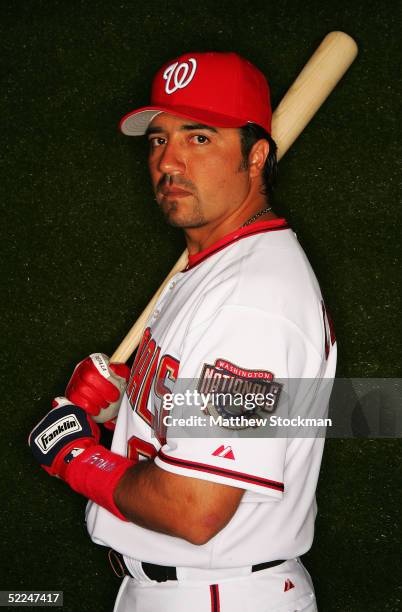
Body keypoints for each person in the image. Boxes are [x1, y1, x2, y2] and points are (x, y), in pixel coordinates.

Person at [29, 52, 337, 611]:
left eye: (198, 139)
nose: (167, 162)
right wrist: (123, 404)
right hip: (183, 588)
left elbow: (193, 508)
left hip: (218, 593)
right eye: (158, 140)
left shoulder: (253, 300)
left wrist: (77, 455)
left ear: (256, 155)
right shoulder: (215, 267)